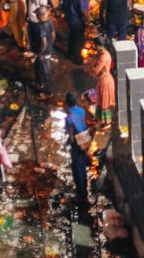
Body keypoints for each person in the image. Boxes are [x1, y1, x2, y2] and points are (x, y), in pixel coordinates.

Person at [64, 93, 92, 221]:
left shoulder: (69, 117)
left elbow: (70, 135)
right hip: (85, 139)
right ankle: (85, 190)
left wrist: (68, 143)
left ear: (67, 103)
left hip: (76, 144)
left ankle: (81, 195)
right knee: (82, 165)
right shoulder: (81, 110)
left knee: (77, 168)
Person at [90, 37, 116, 130]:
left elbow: (96, 71)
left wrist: (93, 68)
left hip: (104, 81)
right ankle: (104, 120)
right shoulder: (106, 53)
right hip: (107, 79)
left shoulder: (103, 57)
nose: (95, 47)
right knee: (105, 100)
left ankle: (107, 122)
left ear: (101, 46)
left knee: (104, 101)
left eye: (96, 45)